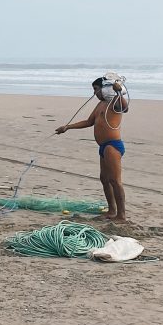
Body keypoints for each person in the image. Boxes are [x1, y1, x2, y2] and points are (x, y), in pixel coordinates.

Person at [55, 72, 131, 222]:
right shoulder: (100, 104)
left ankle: (121, 215)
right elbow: (89, 122)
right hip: (103, 146)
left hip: (112, 146)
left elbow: (125, 108)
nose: (94, 93)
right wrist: (67, 127)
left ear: (104, 88)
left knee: (115, 180)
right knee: (104, 179)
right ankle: (111, 210)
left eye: (96, 89)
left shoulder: (114, 101)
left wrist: (118, 92)